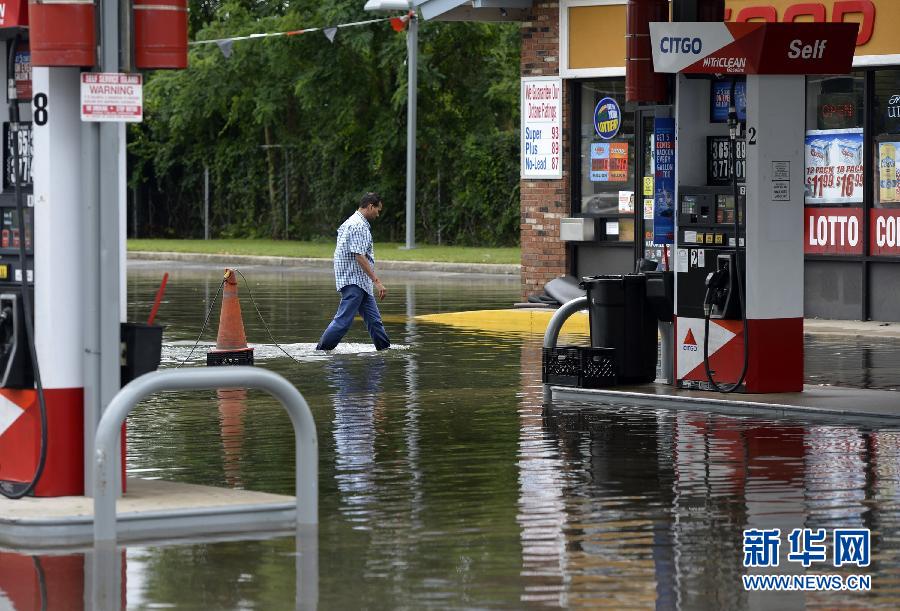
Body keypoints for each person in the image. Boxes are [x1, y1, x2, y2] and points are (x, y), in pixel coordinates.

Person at [316, 192, 391, 351]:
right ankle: (321, 352)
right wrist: (377, 281)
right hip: (354, 281)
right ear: (371, 206)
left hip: (358, 281)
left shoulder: (351, 222)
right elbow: (359, 256)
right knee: (343, 322)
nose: (378, 214)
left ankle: (385, 351)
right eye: (378, 210)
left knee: (374, 322)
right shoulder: (359, 225)